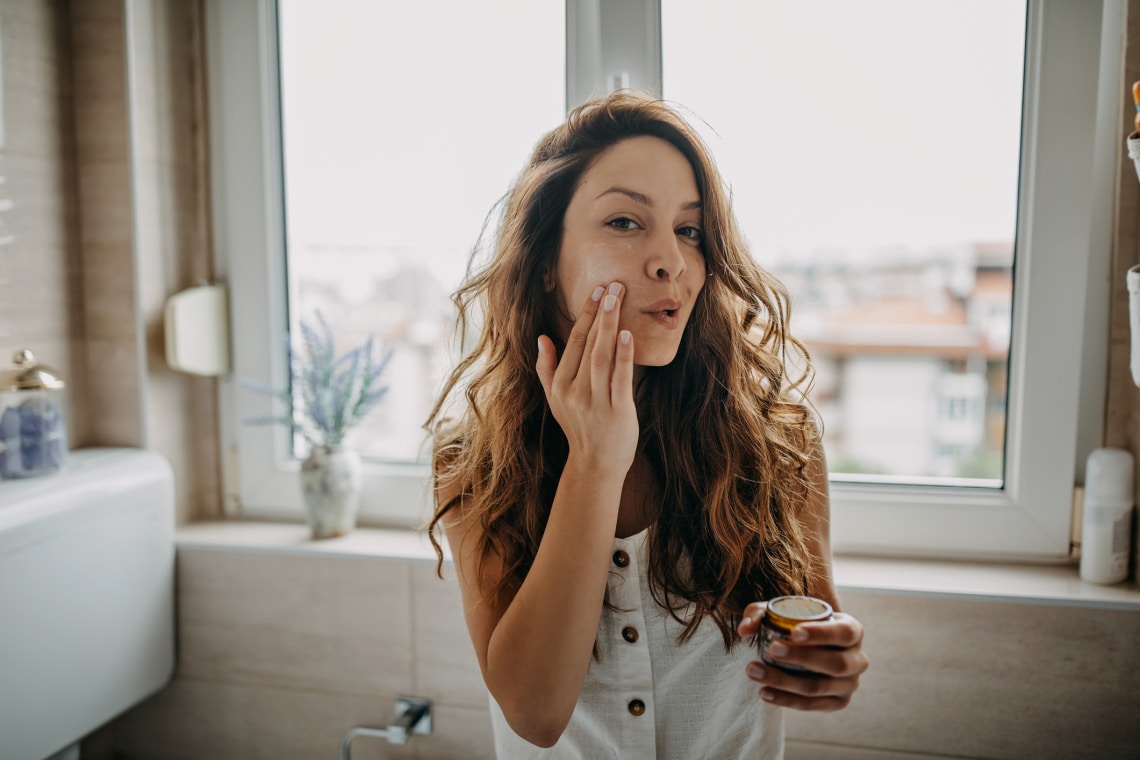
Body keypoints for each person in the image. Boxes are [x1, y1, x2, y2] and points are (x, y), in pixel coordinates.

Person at [426, 91, 869, 758]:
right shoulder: (472, 459)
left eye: (690, 231)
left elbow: (816, 623)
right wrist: (594, 461)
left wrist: (831, 660)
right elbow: (535, 715)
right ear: (543, 264)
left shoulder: (781, 437)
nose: (671, 262)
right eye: (626, 222)